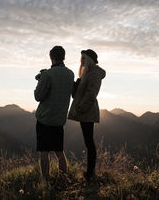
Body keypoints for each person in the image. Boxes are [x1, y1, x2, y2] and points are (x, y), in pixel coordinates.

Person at [34, 46, 74, 182]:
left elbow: (38, 96)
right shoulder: (70, 74)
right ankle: (63, 180)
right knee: (59, 152)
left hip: (45, 119)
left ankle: (45, 181)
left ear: (51, 57)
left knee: (44, 152)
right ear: (64, 56)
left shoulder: (47, 75)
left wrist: (41, 79)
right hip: (59, 120)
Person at [68, 49, 106, 182]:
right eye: (81, 58)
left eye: (84, 58)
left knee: (89, 142)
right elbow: (78, 94)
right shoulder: (86, 73)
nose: (82, 60)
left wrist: (81, 108)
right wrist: (75, 85)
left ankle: (90, 173)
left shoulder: (94, 73)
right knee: (88, 141)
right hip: (84, 110)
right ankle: (90, 172)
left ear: (90, 59)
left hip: (87, 111)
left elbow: (91, 93)